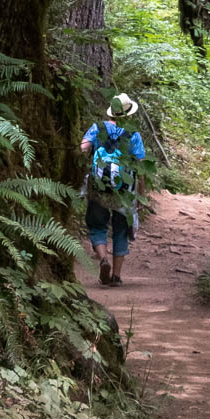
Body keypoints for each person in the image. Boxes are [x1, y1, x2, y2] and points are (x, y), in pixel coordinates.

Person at [80, 92, 146, 286]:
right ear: (128, 114)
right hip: (124, 191)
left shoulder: (97, 128)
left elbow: (83, 148)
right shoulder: (133, 135)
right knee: (121, 230)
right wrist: (141, 195)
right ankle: (116, 277)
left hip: (99, 186)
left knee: (97, 225)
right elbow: (140, 168)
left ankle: (103, 259)